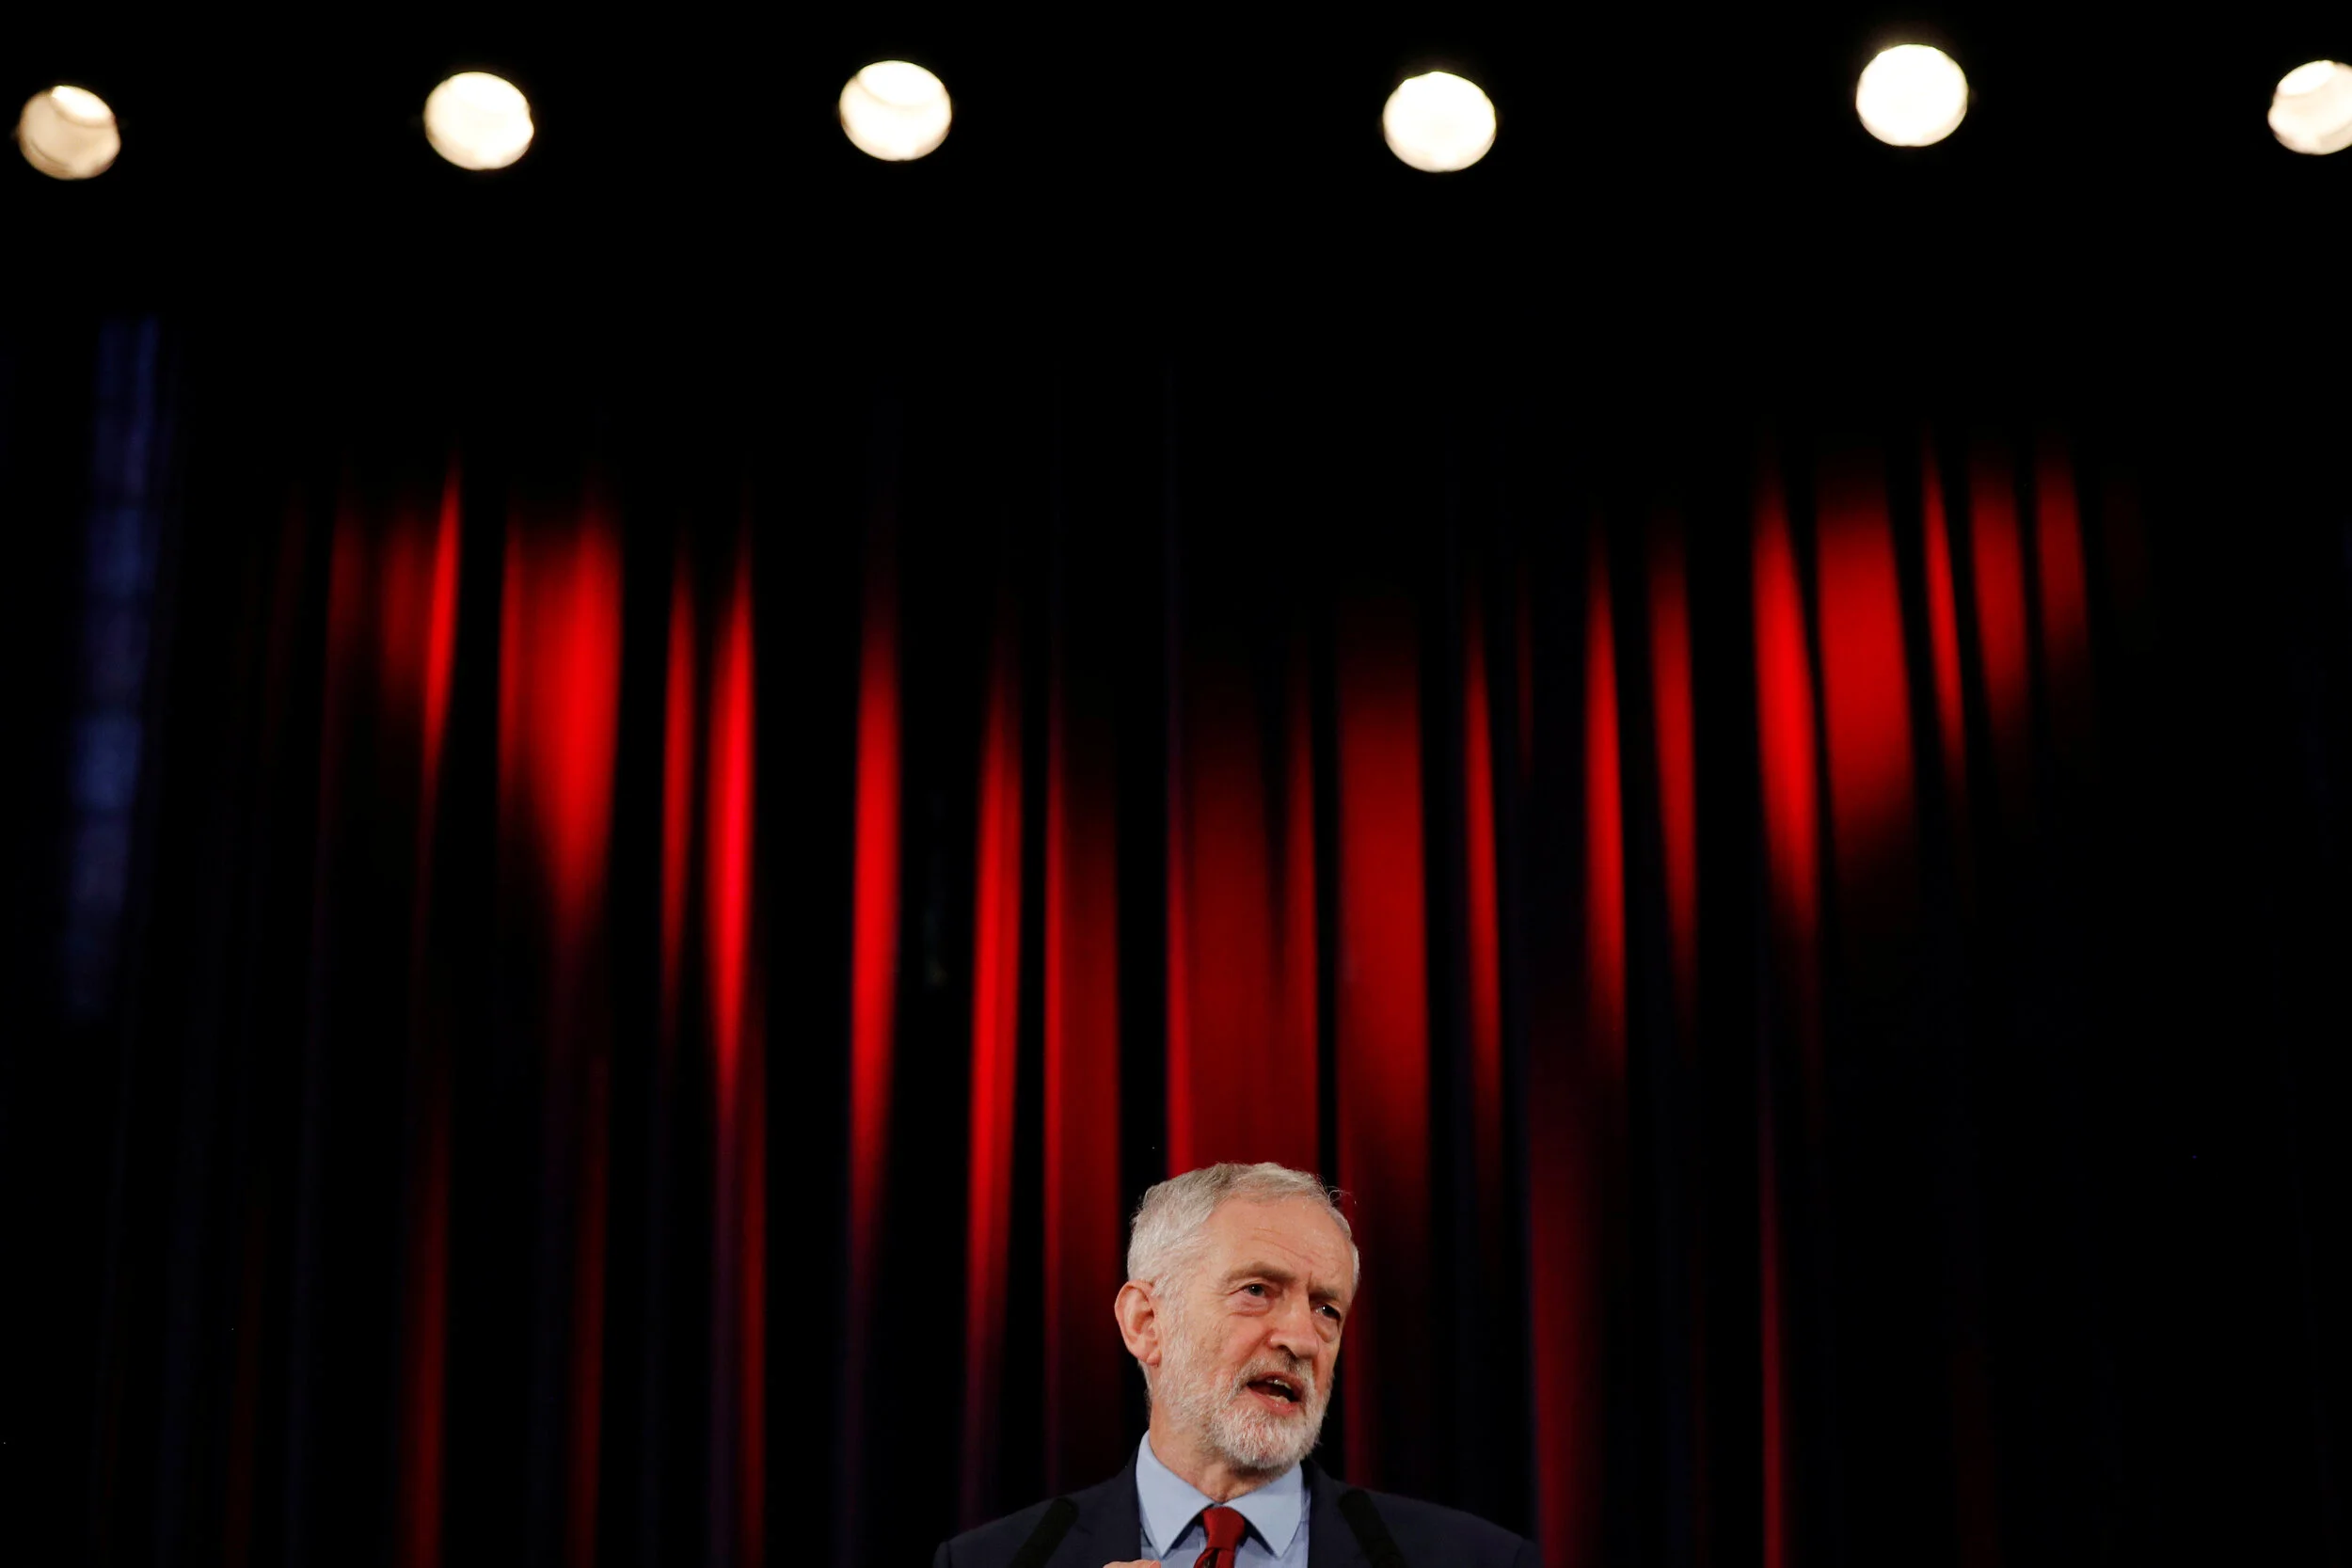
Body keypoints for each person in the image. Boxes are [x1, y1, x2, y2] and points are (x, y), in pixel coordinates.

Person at [933, 1162, 1538, 1567]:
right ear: (1146, 1322)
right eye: (1257, 1290)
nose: (1303, 1338)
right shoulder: (993, 1560)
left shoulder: (1480, 1558)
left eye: (1328, 1309)